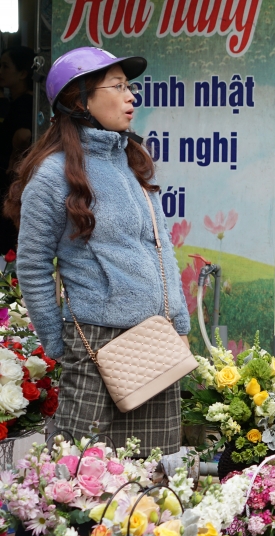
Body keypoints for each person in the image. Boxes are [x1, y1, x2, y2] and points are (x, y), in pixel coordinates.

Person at [3, 47, 190, 456]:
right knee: (80, 468)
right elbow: (32, 266)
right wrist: (57, 341)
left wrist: (178, 320)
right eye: (118, 86)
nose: (131, 97)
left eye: (130, 86)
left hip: (154, 339)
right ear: (79, 99)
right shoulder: (53, 175)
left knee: (153, 469)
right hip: (96, 343)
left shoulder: (133, 161)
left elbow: (161, 246)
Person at [0, 46, 35, 253]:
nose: (1, 72)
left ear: (23, 73)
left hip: (12, 180)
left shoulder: (25, 103)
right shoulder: (15, 102)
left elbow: (25, 135)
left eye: (5, 66)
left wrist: (14, 158)